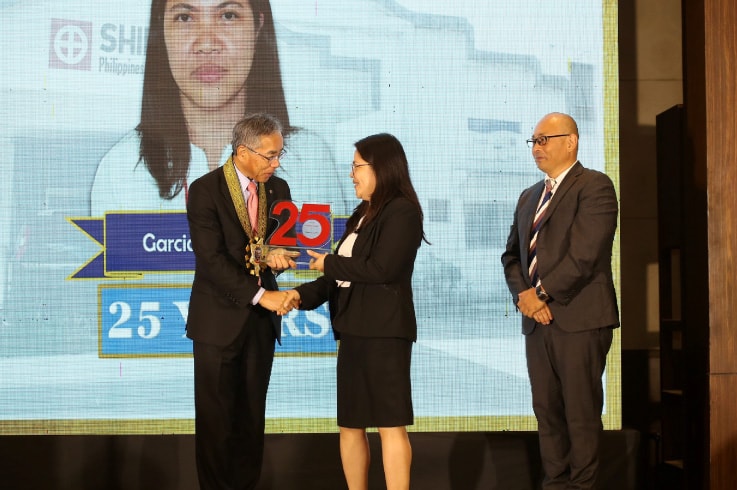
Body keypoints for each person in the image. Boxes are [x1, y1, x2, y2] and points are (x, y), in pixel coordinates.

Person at [90, 0, 348, 215]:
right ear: (161, 30)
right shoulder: (121, 168)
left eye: (228, 15)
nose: (206, 44)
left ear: (258, 25)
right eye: (184, 18)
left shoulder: (310, 160)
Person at [281, 133, 427, 490]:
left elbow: (381, 269)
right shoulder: (362, 213)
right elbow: (339, 277)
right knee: (350, 425)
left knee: (390, 424)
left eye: (356, 166)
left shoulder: (403, 212)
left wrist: (328, 263)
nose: (351, 175)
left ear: (381, 167)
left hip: (385, 333)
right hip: (354, 331)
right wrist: (297, 296)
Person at [501, 112, 619, 489]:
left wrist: (541, 294)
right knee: (547, 413)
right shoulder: (529, 196)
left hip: (579, 319)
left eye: (545, 139)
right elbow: (512, 256)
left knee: (580, 415)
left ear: (571, 141)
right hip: (537, 323)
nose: (537, 148)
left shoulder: (595, 186)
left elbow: (584, 256)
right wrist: (525, 297)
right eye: (533, 141)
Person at [186, 113, 298, 490]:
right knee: (217, 425)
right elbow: (212, 260)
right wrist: (264, 295)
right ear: (243, 151)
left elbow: (282, 248)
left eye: (280, 154)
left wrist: (279, 260)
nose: (276, 163)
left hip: (260, 325)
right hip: (218, 322)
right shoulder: (205, 189)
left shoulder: (279, 190)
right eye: (269, 155)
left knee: (252, 421)